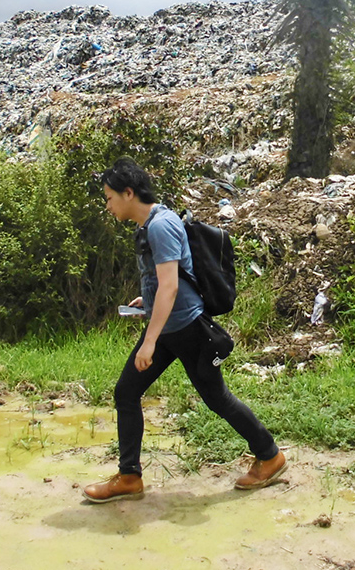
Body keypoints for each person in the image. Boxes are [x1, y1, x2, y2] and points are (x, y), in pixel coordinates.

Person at [83, 157, 286, 503]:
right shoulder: (150, 224)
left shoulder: (160, 226)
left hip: (187, 331)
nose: (108, 205)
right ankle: (129, 476)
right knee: (126, 393)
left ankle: (270, 456)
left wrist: (148, 343)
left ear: (128, 193)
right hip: (169, 329)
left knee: (217, 398)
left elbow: (171, 288)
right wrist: (146, 302)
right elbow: (166, 281)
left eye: (109, 197)